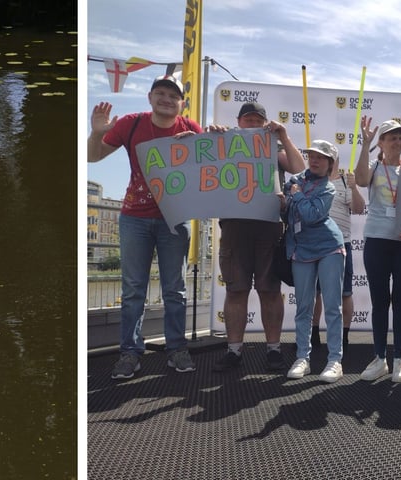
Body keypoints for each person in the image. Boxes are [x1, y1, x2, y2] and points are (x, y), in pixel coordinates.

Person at [88, 75, 202, 380]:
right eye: (161, 93)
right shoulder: (131, 123)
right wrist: (95, 133)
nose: (167, 99)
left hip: (174, 218)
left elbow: (211, 169)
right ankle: (130, 352)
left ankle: (176, 348)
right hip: (134, 217)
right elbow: (92, 156)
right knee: (133, 289)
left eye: (173, 95)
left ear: (181, 103)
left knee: (174, 289)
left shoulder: (191, 128)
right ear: (150, 97)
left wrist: (203, 143)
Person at [211, 102, 306, 372]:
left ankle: (274, 349)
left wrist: (284, 136)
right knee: (236, 289)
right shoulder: (224, 142)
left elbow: (299, 170)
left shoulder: (273, 146)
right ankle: (234, 350)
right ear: (238, 122)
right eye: (248, 120)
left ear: (265, 123)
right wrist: (213, 136)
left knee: (270, 290)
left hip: (269, 225)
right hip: (234, 225)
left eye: (258, 120)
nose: (253, 124)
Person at [353, 117, 401, 383]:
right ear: (382, 143)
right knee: (379, 302)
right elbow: (360, 180)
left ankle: (399, 361)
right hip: (377, 239)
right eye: (392, 138)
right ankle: (379, 359)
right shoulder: (374, 166)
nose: (398, 142)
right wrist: (364, 145)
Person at [281, 139, 346, 383]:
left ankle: (334, 360)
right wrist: (283, 203)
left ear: (330, 163)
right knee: (304, 307)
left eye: (321, 157)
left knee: (332, 306)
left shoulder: (328, 187)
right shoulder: (295, 180)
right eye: (312, 155)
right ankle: (302, 358)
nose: (315, 160)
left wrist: (295, 197)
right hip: (301, 248)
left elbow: (310, 216)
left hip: (329, 247)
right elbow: (287, 213)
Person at [310, 167, 364, 351]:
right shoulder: (310, 180)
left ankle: (344, 336)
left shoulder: (344, 181)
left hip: (341, 244)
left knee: (345, 292)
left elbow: (359, 209)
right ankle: (313, 334)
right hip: (314, 244)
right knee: (313, 292)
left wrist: (354, 187)